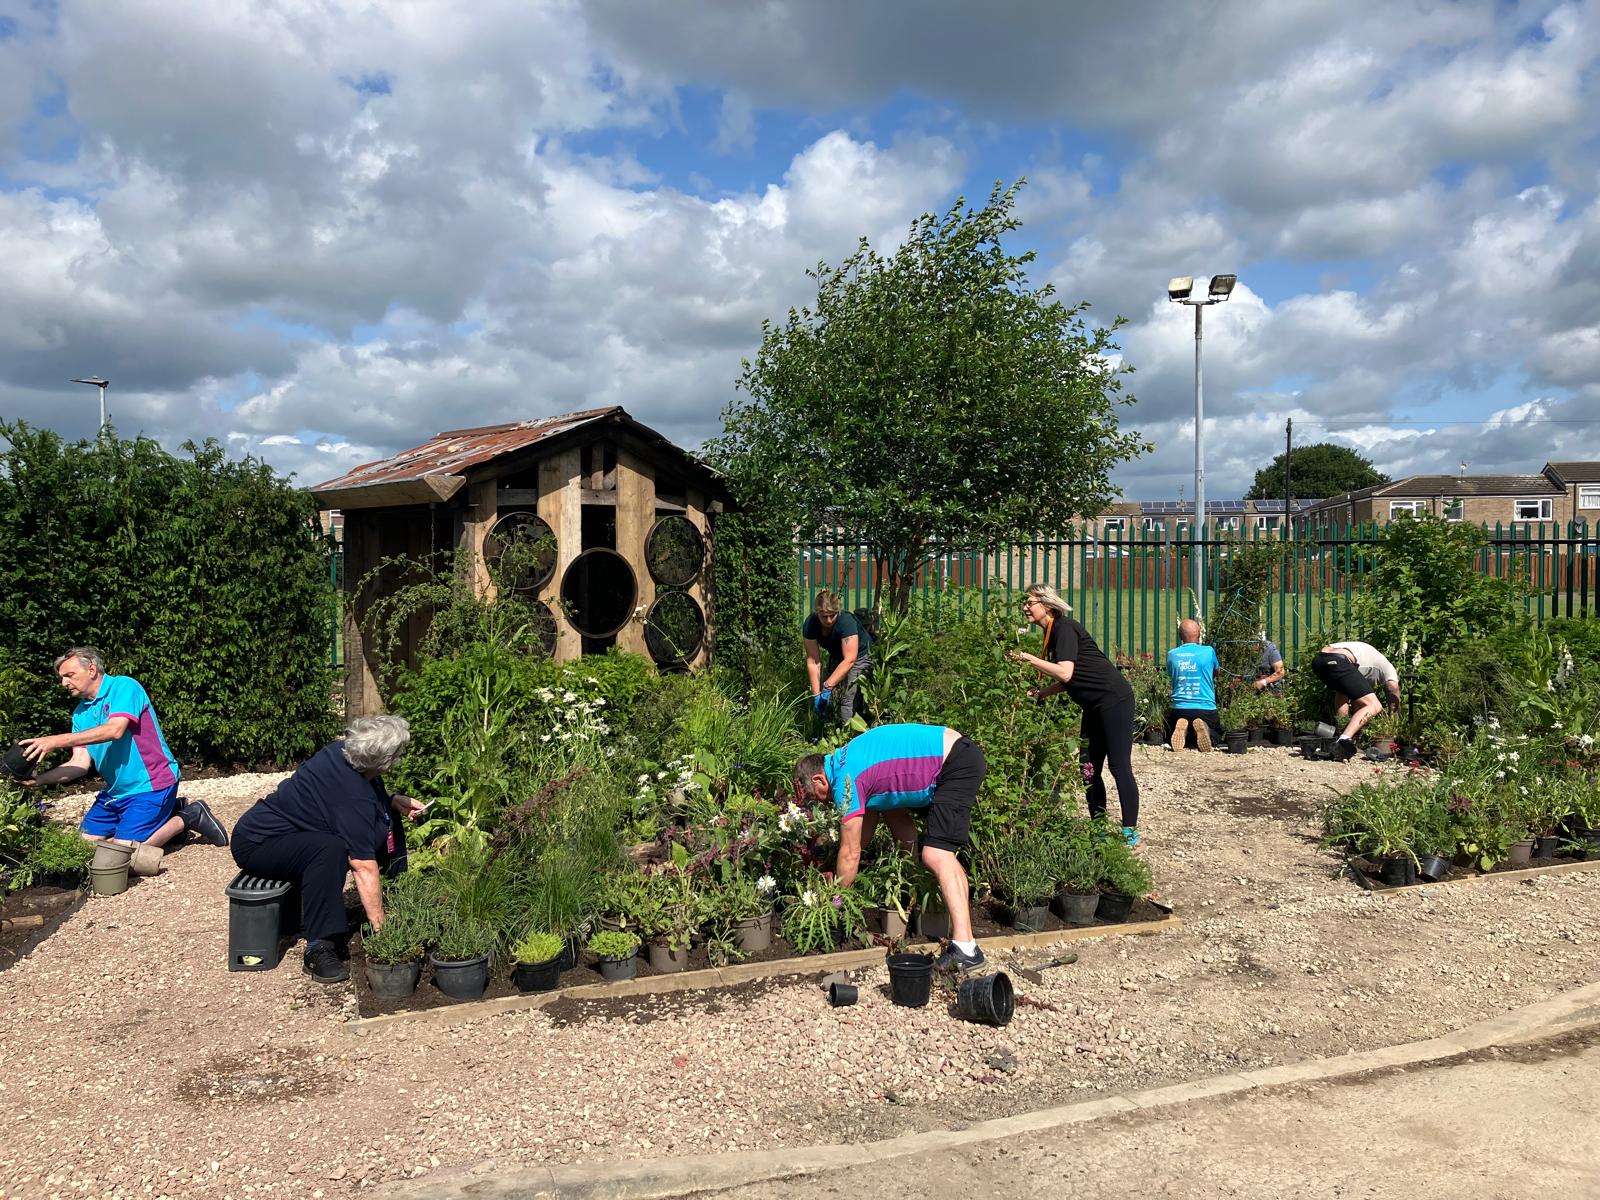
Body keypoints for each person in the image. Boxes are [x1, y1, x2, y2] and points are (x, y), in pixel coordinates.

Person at [231, 715, 426, 983]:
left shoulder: (346, 754)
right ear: (385, 761)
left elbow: (355, 797)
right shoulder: (351, 794)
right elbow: (363, 865)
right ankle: (319, 946)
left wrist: (392, 800)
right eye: (397, 755)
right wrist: (384, 931)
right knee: (329, 849)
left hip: (292, 835)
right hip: (258, 842)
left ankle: (396, 895)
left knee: (377, 822)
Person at [794, 723, 987, 971]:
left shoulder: (845, 780)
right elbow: (902, 831)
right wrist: (906, 883)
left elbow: (851, 853)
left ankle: (965, 948)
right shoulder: (851, 762)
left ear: (819, 779)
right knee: (939, 854)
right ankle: (966, 944)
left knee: (937, 854)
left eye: (814, 797)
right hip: (959, 755)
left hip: (955, 762)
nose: (821, 805)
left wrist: (835, 902)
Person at [19, 647, 229, 871]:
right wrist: (38, 780)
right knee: (81, 850)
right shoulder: (80, 713)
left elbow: (115, 729)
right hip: (115, 794)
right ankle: (167, 813)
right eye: (61, 678)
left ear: (91, 669)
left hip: (152, 785)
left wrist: (55, 741)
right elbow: (79, 764)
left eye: (68, 675)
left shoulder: (124, 687)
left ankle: (187, 817)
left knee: (118, 861)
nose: (63, 683)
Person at [1008, 584, 1141, 841]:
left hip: (1114, 700)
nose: (1025, 607)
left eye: (1029, 602)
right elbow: (1073, 677)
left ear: (1046, 606)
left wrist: (1028, 658)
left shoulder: (1064, 628)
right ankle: (1099, 830)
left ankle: (1129, 833)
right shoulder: (1052, 633)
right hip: (1093, 705)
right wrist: (1042, 693)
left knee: (1118, 766)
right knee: (1088, 768)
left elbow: (1066, 672)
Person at [1311, 641, 1401, 762]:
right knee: (1374, 705)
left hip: (1319, 661)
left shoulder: (1371, 662)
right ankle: (1343, 740)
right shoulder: (1389, 669)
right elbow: (1393, 688)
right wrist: (1394, 718)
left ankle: (1341, 733)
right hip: (1339, 660)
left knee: (1342, 692)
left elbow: (1356, 700)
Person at [803, 590, 873, 723]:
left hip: (859, 657)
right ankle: (829, 734)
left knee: (848, 702)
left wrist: (828, 686)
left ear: (838, 612)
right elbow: (813, 662)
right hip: (837, 656)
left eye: (832, 615)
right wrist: (817, 694)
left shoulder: (846, 621)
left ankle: (850, 739)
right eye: (824, 616)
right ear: (817, 612)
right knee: (828, 701)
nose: (828, 620)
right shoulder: (811, 624)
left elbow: (850, 659)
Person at [1165, 619, 1222, 753]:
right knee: (1217, 734)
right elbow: (1216, 671)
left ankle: (1183, 730)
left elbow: (1171, 674)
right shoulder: (1208, 651)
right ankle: (1206, 729)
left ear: (1180, 637)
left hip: (1179, 708)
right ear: (1199, 634)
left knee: (1173, 730)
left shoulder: (1172, 655)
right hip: (1205, 707)